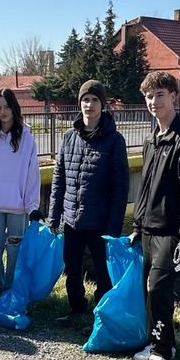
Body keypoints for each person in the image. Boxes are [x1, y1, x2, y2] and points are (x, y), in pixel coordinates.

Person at [130, 72, 180, 360]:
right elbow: (146, 188)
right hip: (148, 229)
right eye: (149, 96)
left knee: (159, 289)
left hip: (171, 231)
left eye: (160, 94)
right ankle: (161, 342)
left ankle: (161, 353)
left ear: (174, 96)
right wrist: (137, 224)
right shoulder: (152, 139)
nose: (153, 101)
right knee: (148, 290)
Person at [48, 80, 129, 329]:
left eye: (95, 100)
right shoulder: (68, 137)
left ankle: (101, 315)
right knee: (72, 269)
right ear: (79, 103)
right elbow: (59, 177)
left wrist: (114, 225)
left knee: (103, 272)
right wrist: (54, 215)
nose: (89, 105)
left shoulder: (114, 140)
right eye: (85, 99)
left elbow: (120, 186)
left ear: (102, 105)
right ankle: (76, 310)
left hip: (100, 220)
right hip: (72, 218)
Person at [0, 88, 41, 303]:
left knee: (14, 249)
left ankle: (10, 287)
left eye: (6, 107)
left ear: (14, 108)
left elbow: (32, 172)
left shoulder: (26, 138)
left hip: (18, 205)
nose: (2, 112)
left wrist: (32, 205)